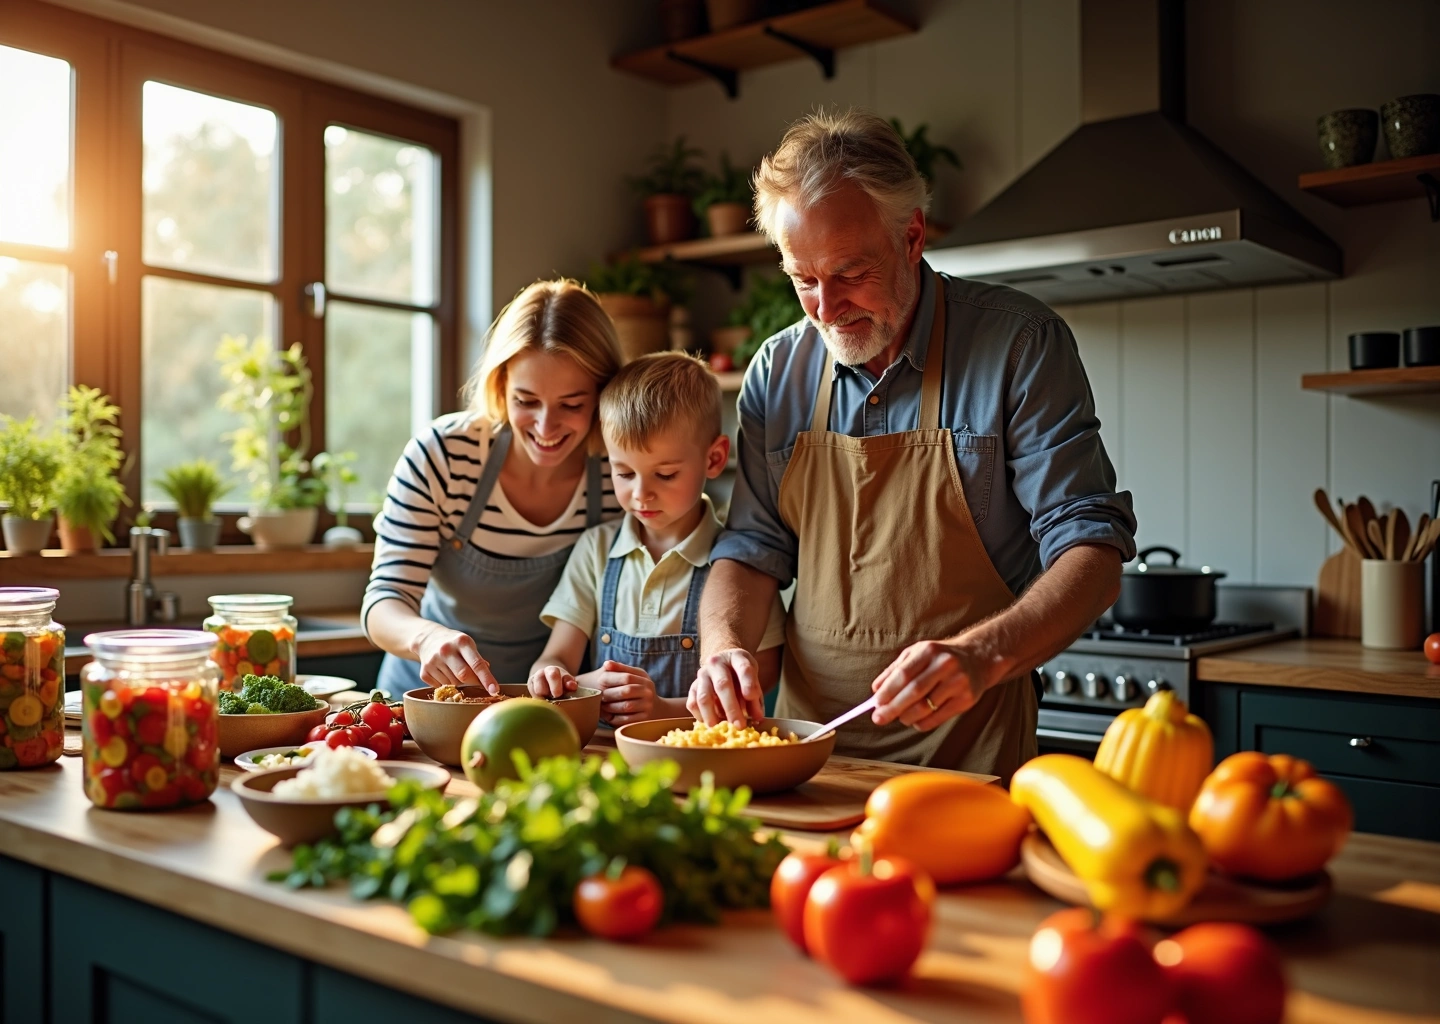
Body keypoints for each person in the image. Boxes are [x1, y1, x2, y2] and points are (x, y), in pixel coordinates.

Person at [689, 110, 1137, 780]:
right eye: (802, 279)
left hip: (971, 756)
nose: (825, 307)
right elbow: (752, 551)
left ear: (912, 236)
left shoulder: (1019, 346)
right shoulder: (778, 372)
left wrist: (981, 656)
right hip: (811, 759)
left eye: (848, 272)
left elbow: (1091, 551)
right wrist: (723, 647)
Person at [365, 279, 624, 695]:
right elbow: (384, 603)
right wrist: (427, 638)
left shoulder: (621, 473)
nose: (545, 426)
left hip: (546, 706)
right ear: (501, 386)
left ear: (602, 394)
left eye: (571, 405)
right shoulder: (443, 455)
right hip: (425, 700)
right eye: (526, 401)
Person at [529, 353, 786, 726]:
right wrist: (565, 682)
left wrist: (664, 710)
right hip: (600, 758)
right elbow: (555, 659)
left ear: (713, 459)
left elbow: (762, 675)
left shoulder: (738, 565)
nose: (641, 494)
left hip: (696, 756)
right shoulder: (596, 550)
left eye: (665, 475)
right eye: (624, 473)